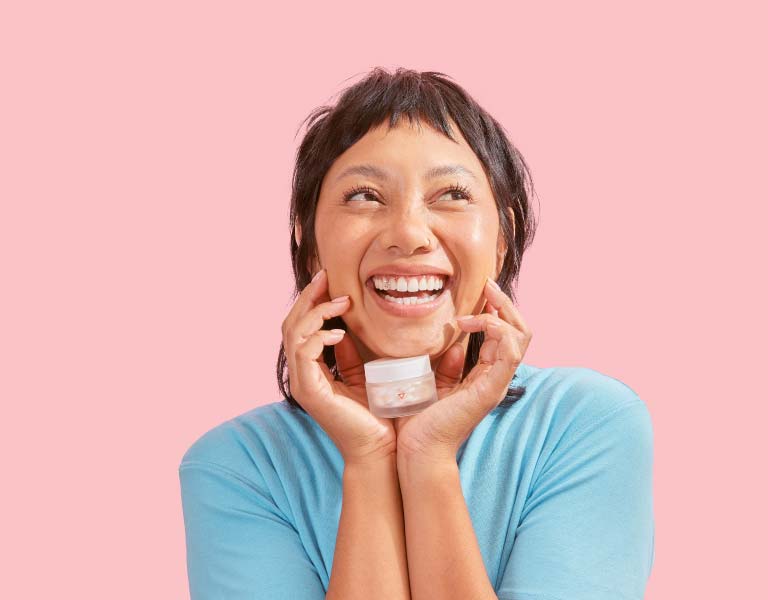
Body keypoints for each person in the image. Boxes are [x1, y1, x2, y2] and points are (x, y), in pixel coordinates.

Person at [179, 67, 654, 600]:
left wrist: (428, 458)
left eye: (451, 193)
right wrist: (369, 459)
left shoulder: (584, 425)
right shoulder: (238, 468)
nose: (407, 234)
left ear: (504, 236)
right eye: (363, 196)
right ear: (308, 240)